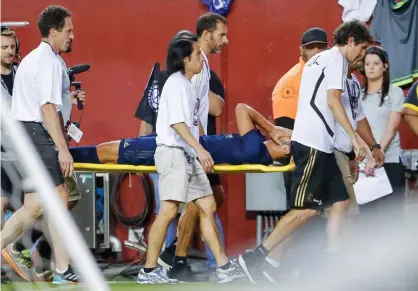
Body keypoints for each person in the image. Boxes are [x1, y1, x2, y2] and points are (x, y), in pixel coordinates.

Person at [236, 20, 373, 284]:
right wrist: (355, 139)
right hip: (313, 145)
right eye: (363, 48)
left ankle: (332, 263)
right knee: (305, 209)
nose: (364, 55)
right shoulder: (335, 60)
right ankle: (255, 258)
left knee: (339, 202)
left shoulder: (323, 61)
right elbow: (333, 100)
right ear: (352, 41)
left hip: (321, 145)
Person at [133, 34, 244, 284]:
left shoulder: (186, 84)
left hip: (187, 154)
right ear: (185, 59)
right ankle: (149, 271)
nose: (201, 59)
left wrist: (198, 149)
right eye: (196, 55)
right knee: (169, 210)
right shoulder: (175, 84)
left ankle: (224, 267)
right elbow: (178, 124)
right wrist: (201, 150)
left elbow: (193, 125)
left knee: (207, 205)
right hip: (173, 153)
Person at [0, 5, 79, 284]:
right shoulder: (45, 61)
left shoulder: (43, 59)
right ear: (54, 31)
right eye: (68, 30)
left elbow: (53, 109)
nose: (72, 35)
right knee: (60, 198)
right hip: (35, 134)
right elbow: (46, 109)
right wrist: (63, 148)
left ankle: (54, 264)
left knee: (34, 207)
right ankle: (62, 268)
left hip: (29, 135)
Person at [157, 14, 228, 281]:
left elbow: (203, 109)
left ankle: (173, 255)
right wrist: (198, 149)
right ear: (206, 34)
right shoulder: (195, 68)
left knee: (211, 200)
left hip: (197, 145)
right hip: (189, 148)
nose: (226, 40)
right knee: (189, 205)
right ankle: (173, 259)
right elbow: (192, 114)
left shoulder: (203, 66)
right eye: (221, 34)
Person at [70, 103, 291, 165]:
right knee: (110, 150)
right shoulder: (255, 147)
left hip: (176, 148)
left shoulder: (255, 149)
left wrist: (271, 129)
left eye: (288, 134)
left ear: (285, 148)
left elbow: (242, 108)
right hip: (178, 142)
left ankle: (60, 156)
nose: (284, 132)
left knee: (108, 152)